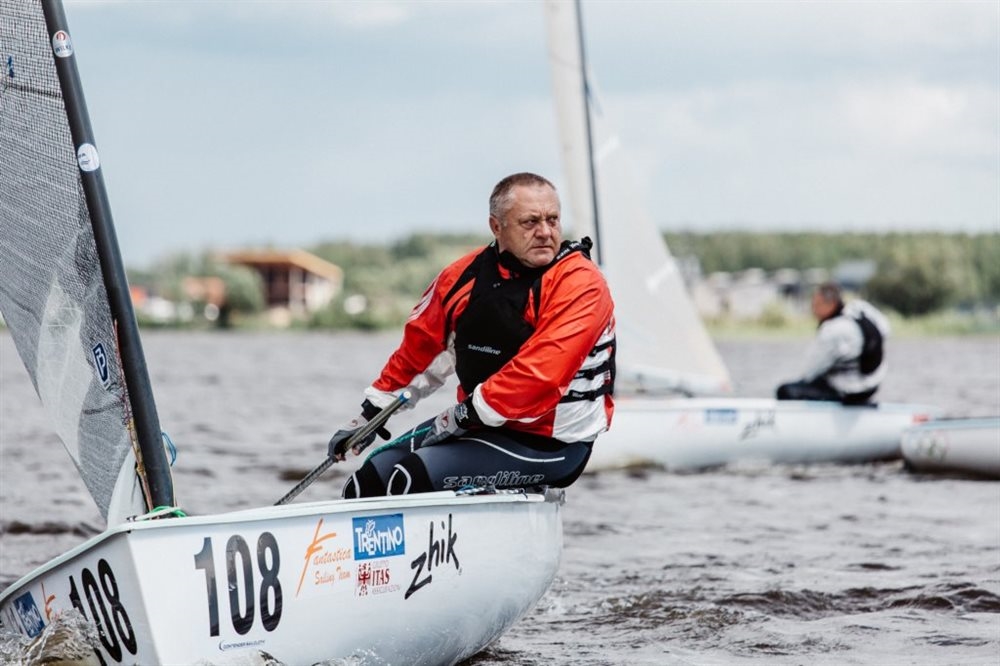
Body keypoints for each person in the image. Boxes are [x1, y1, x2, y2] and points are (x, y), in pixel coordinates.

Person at [328, 172, 616, 497]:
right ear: (496, 226)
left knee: (409, 478)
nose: (545, 232)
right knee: (367, 481)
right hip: (479, 426)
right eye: (530, 222)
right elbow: (420, 352)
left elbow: (542, 375)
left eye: (553, 220)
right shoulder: (461, 277)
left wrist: (466, 413)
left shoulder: (582, 284)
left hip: (553, 442)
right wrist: (369, 416)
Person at [776, 281, 889, 404]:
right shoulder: (861, 308)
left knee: (785, 390)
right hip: (873, 386)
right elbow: (886, 329)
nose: (813, 310)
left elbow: (811, 373)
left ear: (831, 304)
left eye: (816, 304)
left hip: (849, 393)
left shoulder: (831, 329)